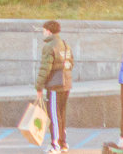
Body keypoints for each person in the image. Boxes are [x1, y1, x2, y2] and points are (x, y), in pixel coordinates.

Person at [37, 19, 73, 152]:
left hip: (54, 86)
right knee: (62, 114)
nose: (43, 33)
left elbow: (45, 69)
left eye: (43, 30)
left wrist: (39, 87)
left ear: (48, 31)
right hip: (66, 84)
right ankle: (63, 143)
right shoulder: (65, 44)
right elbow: (71, 63)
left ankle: (55, 144)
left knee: (54, 115)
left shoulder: (49, 46)